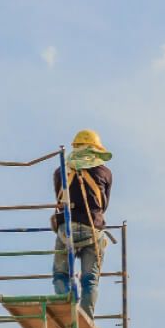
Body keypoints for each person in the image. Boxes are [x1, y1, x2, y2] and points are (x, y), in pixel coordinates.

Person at [52, 129, 113, 317]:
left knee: (60, 275)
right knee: (90, 280)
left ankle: (67, 307)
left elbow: (59, 200)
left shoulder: (60, 171)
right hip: (92, 229)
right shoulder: (104, 172)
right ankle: (85, 318)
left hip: (67, 229)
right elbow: (103, 205)